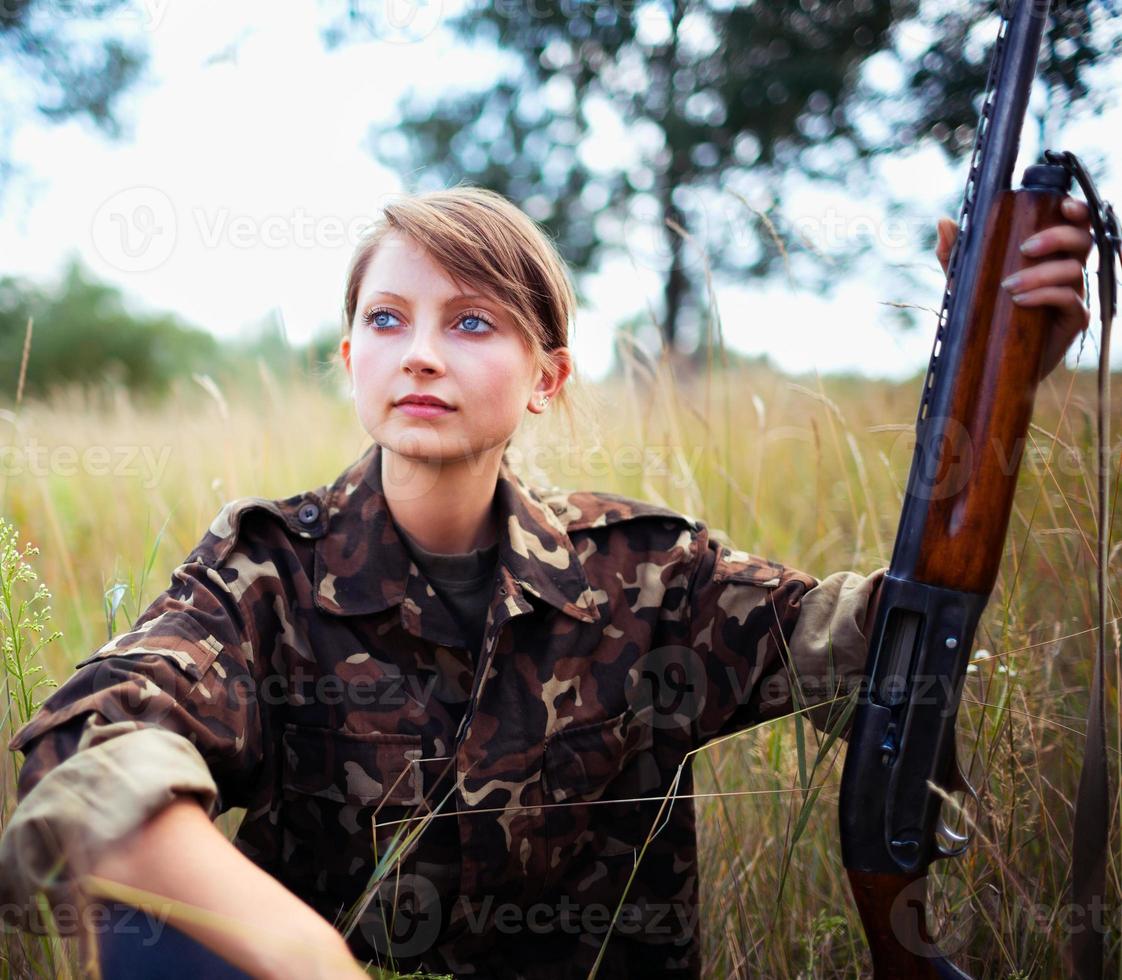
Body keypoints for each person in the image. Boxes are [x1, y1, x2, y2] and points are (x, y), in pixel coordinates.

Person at [0, 187, 1092, 979]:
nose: (420, 352)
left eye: (471, 321)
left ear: (547, 379)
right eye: (388, 319)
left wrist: (993, 386)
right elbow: (91, 737)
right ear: (350, 360)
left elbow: (881, 651)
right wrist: (299, 952)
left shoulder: (649, 572)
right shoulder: (265, 571)